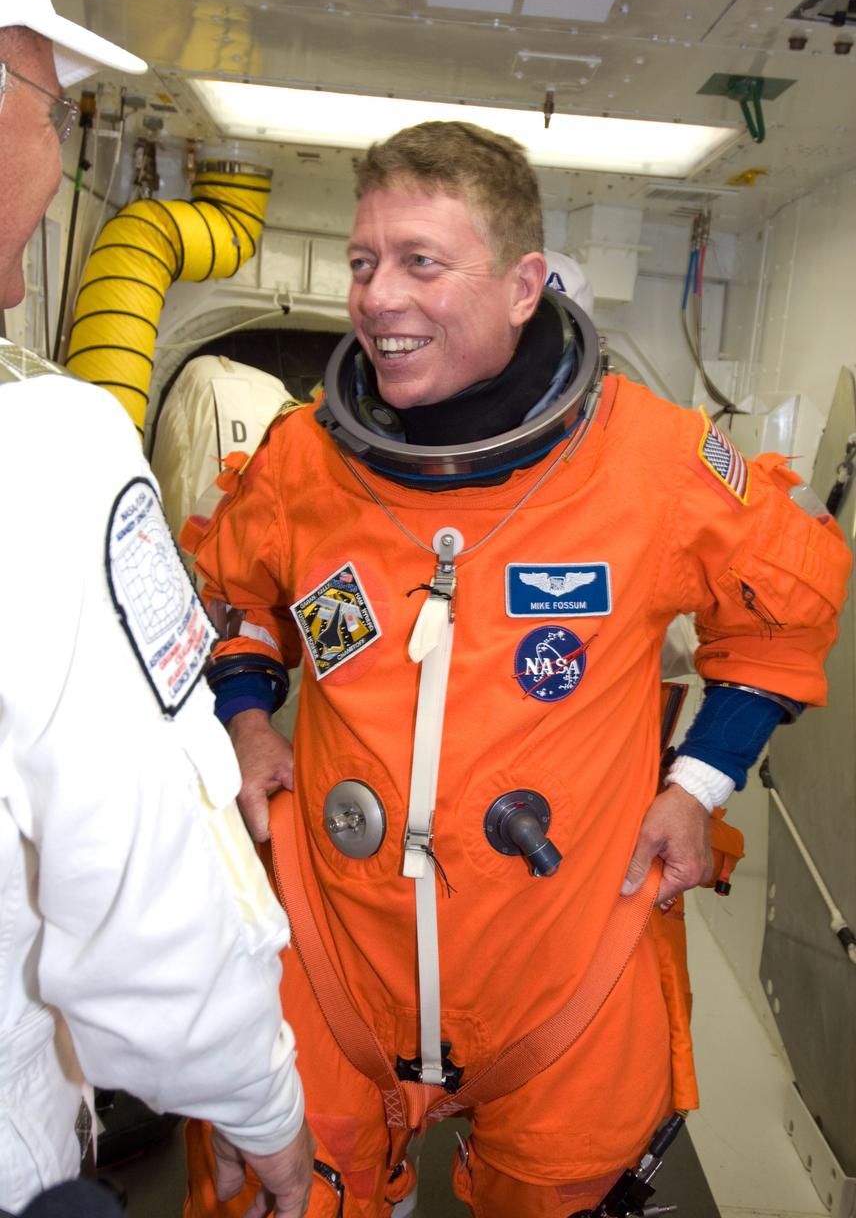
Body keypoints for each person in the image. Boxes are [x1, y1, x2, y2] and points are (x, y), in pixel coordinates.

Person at [182, 120, 851, 1218]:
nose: (377, 295)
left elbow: (782, 612)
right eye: (362, 261)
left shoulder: (656, 462)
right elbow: (231, 599)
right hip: (335, 942)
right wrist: (250, 719)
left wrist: (698, 785)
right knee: (281, 1192)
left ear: (523, 285)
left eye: (421, 262)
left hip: (562, 960)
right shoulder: (304, 461)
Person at [0, 0, 313, 1213]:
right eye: (48, 104)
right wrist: (261, 1106)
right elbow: (144, 877)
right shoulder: (44, 454)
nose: (57, 154)